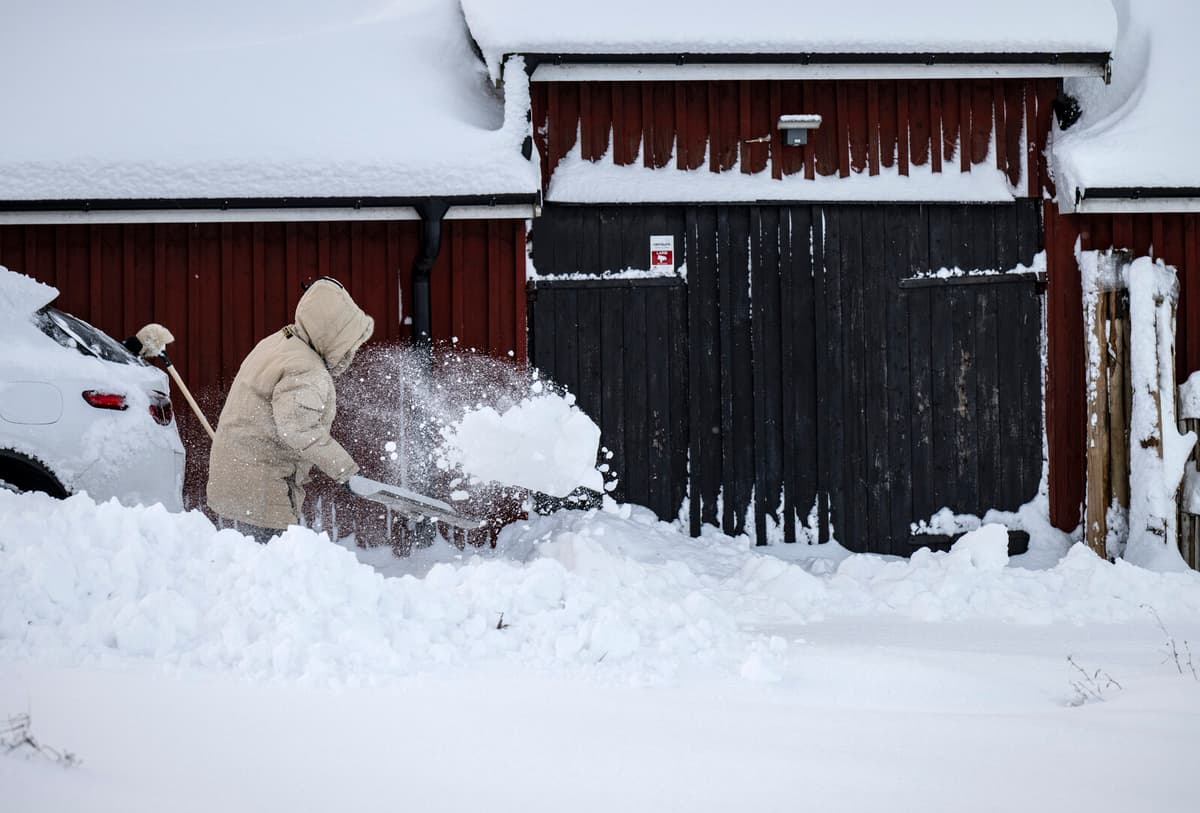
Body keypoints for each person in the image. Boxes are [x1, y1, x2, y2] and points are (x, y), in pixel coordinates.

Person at [207, 278, 374, 543]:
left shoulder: (278, 343)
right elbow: (299, 429)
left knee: (244, 565)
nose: (350, 354)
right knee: (269, 571)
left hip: (238, 476)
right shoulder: (306, 369)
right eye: (348, 345)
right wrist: (347, 471)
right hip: (263, 486)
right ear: (331, 335)